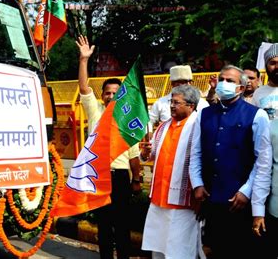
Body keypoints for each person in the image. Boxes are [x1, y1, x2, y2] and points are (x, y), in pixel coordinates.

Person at [189, 65, 272, 258]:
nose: (223, 84)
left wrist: (247, 191)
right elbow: (196, 152)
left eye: (230, 81)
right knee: (216, 249)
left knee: (239, 250)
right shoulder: (205, 114)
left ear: (241, 88)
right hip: (211, 198)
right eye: (221, 79)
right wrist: (197, 184)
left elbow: (263, 161)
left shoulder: (257, 115)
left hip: (240, 201)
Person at [76, 35, 141, 259]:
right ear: (102, 96)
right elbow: (84, 87)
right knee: (104, 225)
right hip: (98, 176)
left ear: (122, 96)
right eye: (107, 93)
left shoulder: (128, 121)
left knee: (122, 226)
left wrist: (136, 180)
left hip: (121, 177)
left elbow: (134, 156)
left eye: (116, 93)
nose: (111, 96)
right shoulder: (95, 113)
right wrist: (84, 60)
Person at [140, 85, 206, 259]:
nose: (172, 106)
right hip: (159, 199)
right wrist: (145, 153)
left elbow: (203, 161)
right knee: (159, 247)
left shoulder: (198, 125)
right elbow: (150, 154)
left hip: (183, 202)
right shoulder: (163, 126)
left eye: (177, 102)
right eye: (171, 102)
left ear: (191, 105)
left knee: (179, 249)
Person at [251, 43, 278, 258]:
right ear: (266, 66)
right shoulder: (259, 95)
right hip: (267, 166)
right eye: (273, 62)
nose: (277, 66)